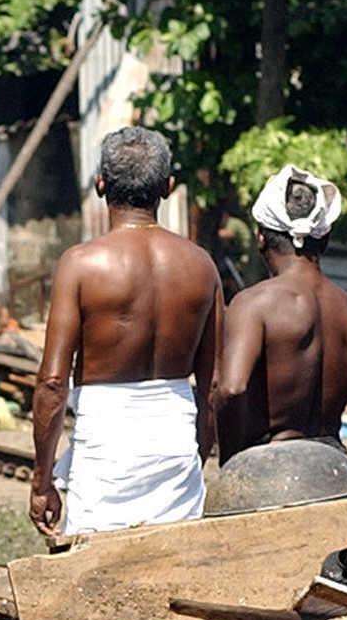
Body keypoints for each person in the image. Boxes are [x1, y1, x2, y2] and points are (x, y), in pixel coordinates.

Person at [30, 126, 222, 540]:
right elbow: (213, 387)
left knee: (95, 576)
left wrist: (42, 480)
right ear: (167, 188)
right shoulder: (201, 266)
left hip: (105, 445)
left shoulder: (81, 265)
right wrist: (195, 456)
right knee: (173, 572)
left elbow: (51, 382)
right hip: (175, 436)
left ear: (101, 185)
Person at [213, 164, 347, 473]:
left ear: (261, 238)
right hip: (330, 467)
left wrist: (232, 464)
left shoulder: (253, 304)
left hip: (266, 469)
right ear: (325, 238)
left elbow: (231, 388)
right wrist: (345, 476)